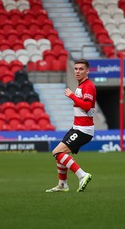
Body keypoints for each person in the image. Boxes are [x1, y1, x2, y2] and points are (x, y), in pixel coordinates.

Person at [46, 59, 95, 193]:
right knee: (59, 152)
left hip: (84, 130)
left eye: (81, 69)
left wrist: (72, 96)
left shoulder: (88, 86)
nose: (78, 71)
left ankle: (82, 175)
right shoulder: (81, 85)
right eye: (76, 69)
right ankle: (62, 185)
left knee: (57, 152)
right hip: (77, 127)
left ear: (87, 71)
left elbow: (87, 106)